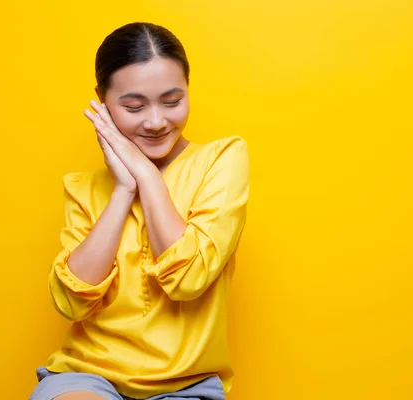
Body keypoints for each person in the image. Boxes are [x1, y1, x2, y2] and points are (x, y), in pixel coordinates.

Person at [30, 22, 249, 400]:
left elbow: (189, 279)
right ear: (101, 100)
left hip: (187, 385)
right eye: (134, 106)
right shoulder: (82, 188)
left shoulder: (222, 160)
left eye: (172, 101)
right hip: (89, 375)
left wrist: (147, 175)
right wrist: (123, 190)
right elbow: (71, 303)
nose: (156, 121)